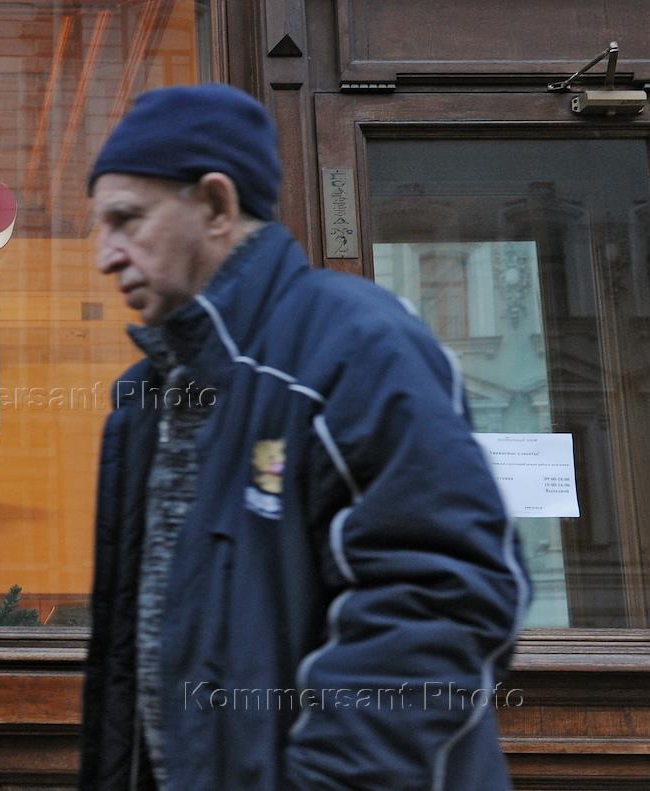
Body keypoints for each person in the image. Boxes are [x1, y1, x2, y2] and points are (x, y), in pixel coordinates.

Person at [79, 83, 530, 790]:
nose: (105, 255)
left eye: (126, 220)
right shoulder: (145, 399)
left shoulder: (356, 344)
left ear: (217, 206)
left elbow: (445, 598)